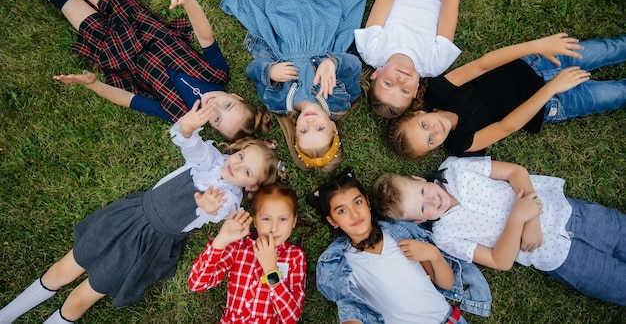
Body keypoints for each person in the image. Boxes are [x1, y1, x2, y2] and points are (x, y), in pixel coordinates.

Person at [0, 0, 270, 141]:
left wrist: (94, 84)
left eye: (217, 120)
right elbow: (205, 36)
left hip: (115, 51)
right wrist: (188, 0)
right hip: (143, 24)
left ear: (211, 127)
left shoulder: (177, 112)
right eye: (228, 106)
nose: (215, 108)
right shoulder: (218, 73)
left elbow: (129, 100)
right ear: (236, 96)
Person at [0, 100, 279, 324]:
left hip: (149, 244)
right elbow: (191, 148)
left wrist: (208, 209)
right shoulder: (212, 159)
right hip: (130, 216)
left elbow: (219, 214)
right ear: (236, 150)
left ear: (251, 185)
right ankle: (7, 314)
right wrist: (187, 129)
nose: (237, 165)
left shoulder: (230, 200)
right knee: (64, 268)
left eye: (246, 171)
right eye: (240, 157)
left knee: (83, 296)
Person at [219, 0, 373, 171]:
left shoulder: (278, 102)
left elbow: (252, 71)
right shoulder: (339, 100)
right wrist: (332, 64)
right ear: (333, 127)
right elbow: (355, 67)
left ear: (295, 132)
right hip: (324, 15)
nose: (310, 122)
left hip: (286, 16)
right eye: (320, 128)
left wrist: (271, 72)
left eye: (304, 131)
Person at [373, 157, 626, 306]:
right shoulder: (444, 236)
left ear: (419, 179)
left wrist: (532, 220)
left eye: (422, 193)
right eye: (421, 208)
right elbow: (500, 261)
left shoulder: (455, 168)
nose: (432, 202)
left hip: (571, 213)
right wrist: (518, 218)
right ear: (418, 222)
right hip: (559, 256)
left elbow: (516, 172)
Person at [388, 32, 626, 158]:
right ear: (434, 149)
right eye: (430, 141)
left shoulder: (438, 92)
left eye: (423, 125)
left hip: (535, 64)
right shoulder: (459, 143)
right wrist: (551, 89)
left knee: (610, 48)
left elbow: (483, 65)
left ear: (419, 112)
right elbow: (507, 126)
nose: (434, 131)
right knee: (614, 94)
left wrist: (537, 46)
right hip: (551, 102)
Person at [307, 168, 491, 323]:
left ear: (368, 203)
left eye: (357, 202)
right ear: (332, 221)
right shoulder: (341, 262)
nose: (354, 214)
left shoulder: (400, 234)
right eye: (342, 210)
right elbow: (350, 308)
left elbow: (447, 283)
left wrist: (433, 254)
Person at [188, 184, 306, 323]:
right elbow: (197, 284)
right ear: (255, 220)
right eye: (266, 219)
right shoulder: (239, 247)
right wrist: (220, 242)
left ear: (294, 221)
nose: (274, 228)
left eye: (283, 219)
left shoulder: (294, 256)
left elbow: (291, 318)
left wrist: (271, 271)